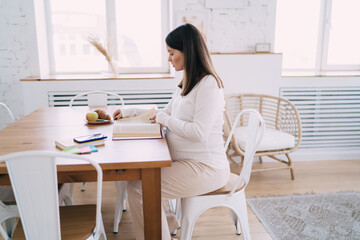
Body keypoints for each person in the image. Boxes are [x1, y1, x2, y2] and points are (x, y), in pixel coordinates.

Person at [112, 23, 230, 240]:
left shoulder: (209, 86)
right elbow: (164, 112)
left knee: (139, 190)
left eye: (171, 53)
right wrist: (129, 111)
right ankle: (168, 226)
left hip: (206, 168)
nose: (169, 58)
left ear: (188, 52)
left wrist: (166, 120)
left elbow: (198, 132)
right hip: (186, 162)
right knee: (142, 179)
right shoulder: (188, 81)